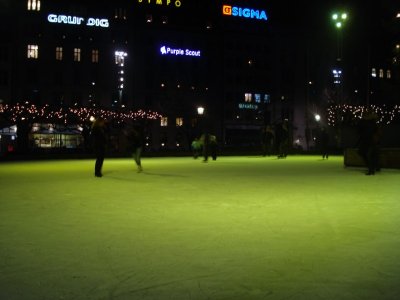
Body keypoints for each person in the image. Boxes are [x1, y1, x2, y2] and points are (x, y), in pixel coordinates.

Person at [357, 111, 381, 175]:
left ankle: (372, 169)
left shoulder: (371, 122)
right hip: (367, 140)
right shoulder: (365, 122)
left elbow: (376, 131)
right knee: (365, 154)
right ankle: (372, 167)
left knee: (369, 155)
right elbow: (360, 130)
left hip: (370, 140)